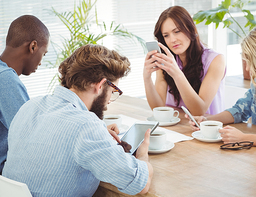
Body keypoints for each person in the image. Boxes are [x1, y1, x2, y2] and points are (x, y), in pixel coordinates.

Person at [2, 44, 153, 196]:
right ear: (100, 85)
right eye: (113, 91)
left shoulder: (30, 107)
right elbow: (141, 184)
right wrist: (142, 155)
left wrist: (100, 135)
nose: (109, 100)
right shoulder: (85, 126)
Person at [187, 23, 256, 149]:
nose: (248, 69)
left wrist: (244, 138)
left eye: (251, 62)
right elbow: (240, 110)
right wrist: (208, 121)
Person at [143, 6, 226, 116]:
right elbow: (158, 108)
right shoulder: (167, 60)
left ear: (191, 29)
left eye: (177, 31)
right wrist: (147, 78)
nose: (172, 40)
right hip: (179, 127)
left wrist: (177, 73)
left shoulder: (216, 60)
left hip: (206, 129)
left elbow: (199, 111)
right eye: (166, 35)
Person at [0, 15, 49, 173]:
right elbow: (31, 135)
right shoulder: (5, 79)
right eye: (44, 53)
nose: (41, 62)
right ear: (33, 46)